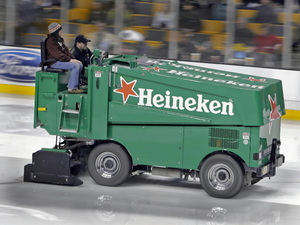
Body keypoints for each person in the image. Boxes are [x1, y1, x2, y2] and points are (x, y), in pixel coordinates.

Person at [46, 23, 84, 93]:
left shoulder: (59, 40)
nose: (62, 32)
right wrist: (69, 60)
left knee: (79, 63)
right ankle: (71, 88)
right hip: (54, 62)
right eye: (60, 30)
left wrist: (73, 58)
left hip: (60, 60)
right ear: (56, 31)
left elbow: (66, 51)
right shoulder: (50, 41)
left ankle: (77, 86)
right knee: (76, 65)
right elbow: (57, 55)